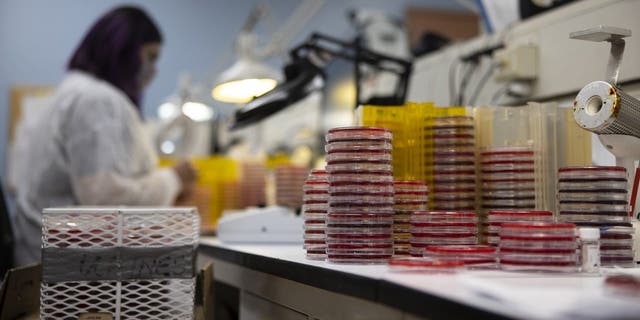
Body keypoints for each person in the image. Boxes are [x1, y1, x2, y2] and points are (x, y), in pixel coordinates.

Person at [11, 6, 197, 266]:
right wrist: (172, 179)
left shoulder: (75, 92)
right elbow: (105, 200)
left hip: (52, 259)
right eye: (150, 57)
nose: (154, 70)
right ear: (123, 51)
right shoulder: (96, 100)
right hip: (64, 272)